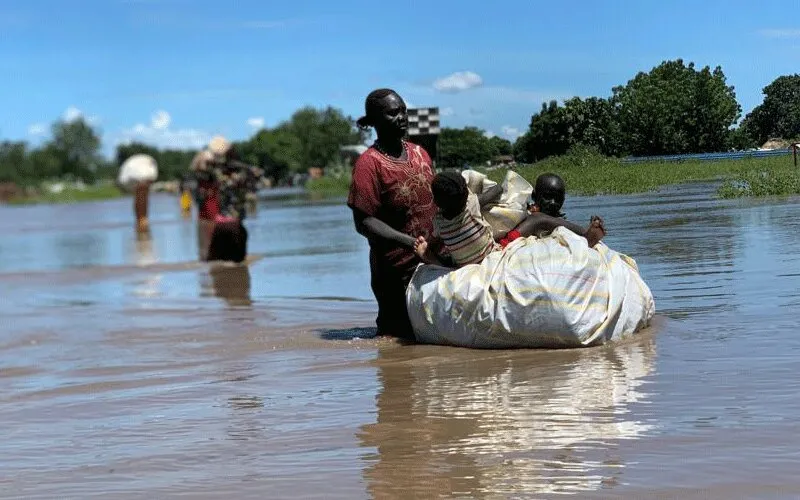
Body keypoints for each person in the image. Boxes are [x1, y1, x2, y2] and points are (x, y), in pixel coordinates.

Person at [347, 88, 443, 339]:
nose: (402, 117)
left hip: (432, 263)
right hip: (395, 273)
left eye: (403, 111)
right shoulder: (368, 164)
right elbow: (364, 222)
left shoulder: (420, 153)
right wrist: (410, 243)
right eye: (392, 113)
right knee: (396, 344)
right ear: (375, 121)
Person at [414, 171, 606, 268]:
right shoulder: (471, 206)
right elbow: (497, 190)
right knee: (538, 219)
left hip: (462, 264)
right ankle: (585, 234)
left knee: (451, 258)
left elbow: (436, 238)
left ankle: (434, 261)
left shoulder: (438, 221)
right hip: (493, 254)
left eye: (558, 198)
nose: (553, 203)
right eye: (547, 197)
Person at [190, 136, 263, 263]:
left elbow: (196, 171)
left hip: (219, 226)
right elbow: (259, 182)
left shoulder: (212, 172)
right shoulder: (246, 172)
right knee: (240, 272)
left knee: (215, 268)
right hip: (237, 227)